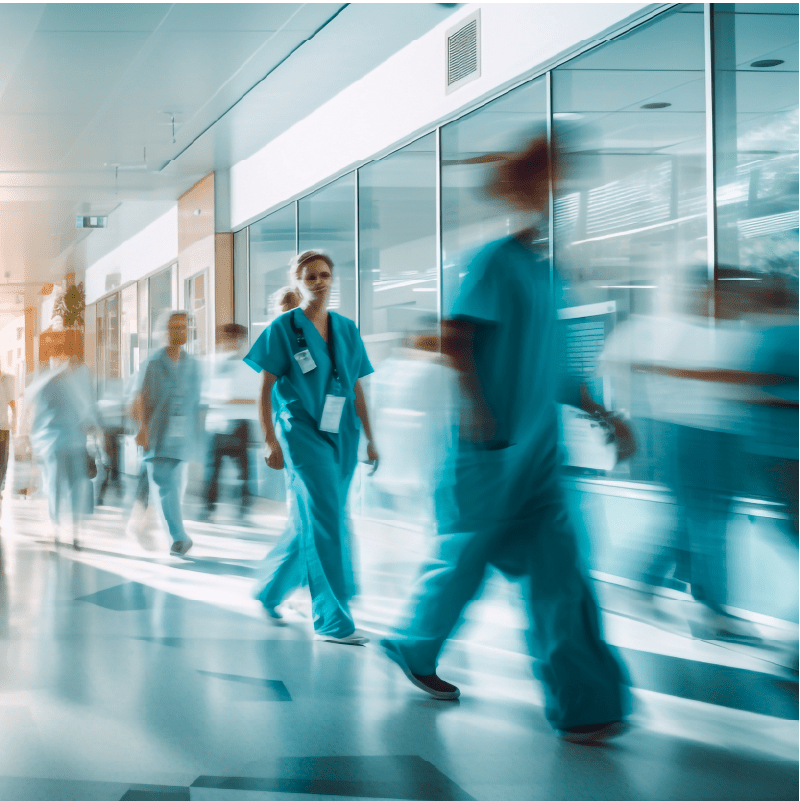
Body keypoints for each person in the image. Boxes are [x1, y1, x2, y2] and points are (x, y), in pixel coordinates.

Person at [380, 135, 632, 743]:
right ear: (522, 190)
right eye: (544, 181)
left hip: (540, 452)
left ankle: (587, 703)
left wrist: (602, 412)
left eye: (558, 182)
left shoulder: (550, 274)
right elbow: (456, 338)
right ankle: (415, 645)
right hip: (490, 448)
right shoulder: (492, 259)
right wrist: (475, 410)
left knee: (561, 572)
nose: (554, 193)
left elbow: (552, 365)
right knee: (463, 563)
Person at [245, 250, 378, 645]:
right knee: (325, 517)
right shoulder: (283, 328)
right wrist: (269, 439)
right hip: (300, 431)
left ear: (333, 279)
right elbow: (265, 388)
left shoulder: (347, 329)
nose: (319, 282)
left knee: (315, 516)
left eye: (324, 275)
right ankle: (332, 618)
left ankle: (270, 589)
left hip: (343, 433)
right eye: (310, 276)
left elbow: (356, 387)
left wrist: (370, 436)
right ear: (298, 281)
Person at [134, 311, 201, 556]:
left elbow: (196, 403)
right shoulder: (153, 364)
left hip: (181, 439)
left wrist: (197, 438)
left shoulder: (193, 364)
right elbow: (141, 399)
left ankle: (141, 525)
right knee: (165, 487)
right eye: (174, 327)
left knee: (171, 488)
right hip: (158, 436)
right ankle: (178, 537)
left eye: (183, 327)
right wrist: (142, 429)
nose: (179, 332)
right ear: (166, 331)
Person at [29, 353, 99, 548]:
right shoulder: (78, 381)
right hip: (75, 442)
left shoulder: (46, 383)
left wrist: (34, 443)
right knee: (77, 487)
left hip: (54, 444)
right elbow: (88, 412)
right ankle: (76, 532)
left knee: (55, 488)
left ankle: (56, 529)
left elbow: (38, 416)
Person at [200, 323, 261, 521]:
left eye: (233, 338)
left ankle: (243, 508)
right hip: (217, 423)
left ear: (241, 340)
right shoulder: (213, 363)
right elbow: (204, 393)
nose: (229, 342)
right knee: (213, 469)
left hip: (241, 423)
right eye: (226, 337)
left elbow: (258, 396)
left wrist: (232, 400)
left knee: (243, 470)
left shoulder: (251, 364)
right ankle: (208, 508)